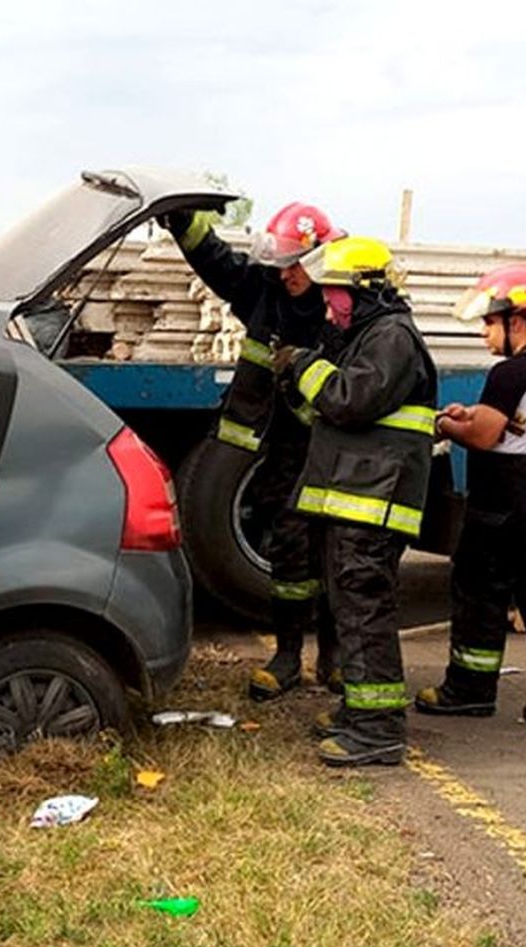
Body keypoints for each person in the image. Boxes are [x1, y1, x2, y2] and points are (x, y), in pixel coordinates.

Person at [268, 236, 438, 766]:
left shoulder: (392, 337)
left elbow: (350, 400)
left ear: (364, 290)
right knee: (350, 608)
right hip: (356, 499)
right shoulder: (368, 333)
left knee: (364, 611)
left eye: (336, 293)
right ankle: (359, 713)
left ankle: (379, 729)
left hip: (374, 503)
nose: (329, 304)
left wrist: (303, 367)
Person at [163, 202, 344, 702]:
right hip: (280, 449)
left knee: (333, 552)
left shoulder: (342, 310)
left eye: (295, 265)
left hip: (329, 450)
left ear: (321, 259)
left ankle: (334, 656)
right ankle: (287, 656)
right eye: (281, 263)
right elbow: (217, 262)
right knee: (288, 547)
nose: (285, 274)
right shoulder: (264, 290)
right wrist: (183, 221)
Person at [415, 263, 526, 727]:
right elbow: (521, 419)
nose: (483, 333)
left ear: (514, 321)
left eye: (488, 322)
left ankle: (468, 688)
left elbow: (483, 436)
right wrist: (472, 413)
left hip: (509, 495)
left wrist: (442, 423)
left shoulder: (509, 371)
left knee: (479, 587)